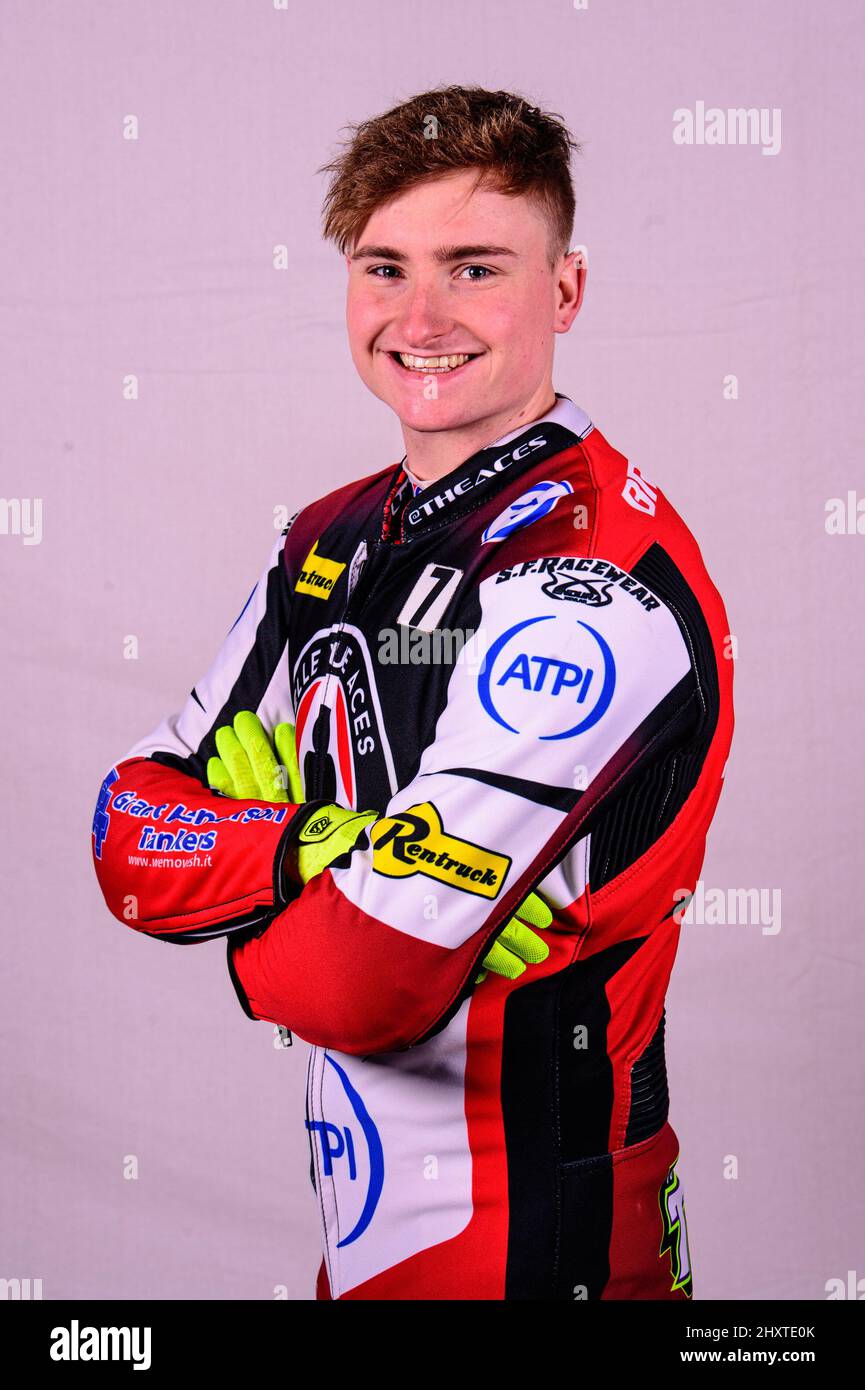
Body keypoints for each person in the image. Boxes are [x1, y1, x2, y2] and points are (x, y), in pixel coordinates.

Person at [92, 85, 734, 1300]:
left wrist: (242, 867)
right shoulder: (330, 534)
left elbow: (358, 980)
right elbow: (124, 825)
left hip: (542, 1233)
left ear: (566, 289)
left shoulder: (590, 576)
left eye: (474, 267)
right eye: (384, 267)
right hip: (365, 1232)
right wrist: (319, 847)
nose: (420, 316)